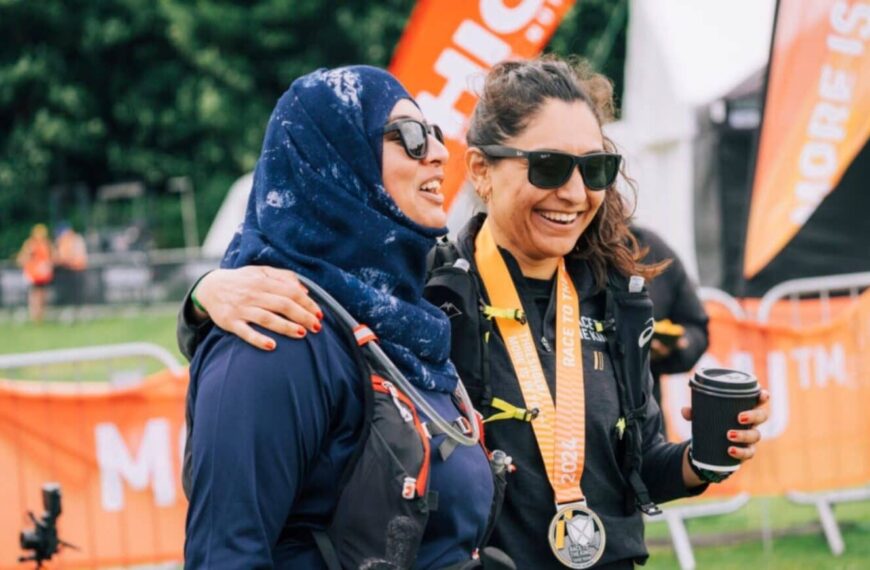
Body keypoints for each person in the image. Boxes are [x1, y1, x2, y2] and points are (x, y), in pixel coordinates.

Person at [180, 57, 770, 568]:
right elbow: (293, 321)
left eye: (594, 170)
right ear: (482, 171)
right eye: (547, 166)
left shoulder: (614, 298)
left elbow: (637, 465)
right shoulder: (427, 294)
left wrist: (703, 459)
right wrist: (204, 295)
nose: (572, 191)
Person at [183, 66, 502, 569]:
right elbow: (227, 555)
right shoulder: (276, 333)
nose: (440, 153)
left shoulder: (409, 319)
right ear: (333, 159)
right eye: (412, 138)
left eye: (436, 134)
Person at [631, 225, 709, 427]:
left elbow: (696, 327)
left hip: (643, 427)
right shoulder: (560, 251)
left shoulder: (648, 247)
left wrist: (679, 344)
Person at [16, 223, 54, 322]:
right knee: (34, 296)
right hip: (33, 275)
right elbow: (21, 259)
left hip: (43, 275)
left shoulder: (47, 244)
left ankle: (40, 317)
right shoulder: (30, 244)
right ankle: (35, 317)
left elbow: (51, 259)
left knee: (42, 296)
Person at [54, 223, 89, 313]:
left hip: (76, 269)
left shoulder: (75, 239)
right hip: (69, 269)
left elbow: (67, 256)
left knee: (77, 293)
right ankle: (74, 310)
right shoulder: (66, 240)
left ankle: (77, 310)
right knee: (71, 293)